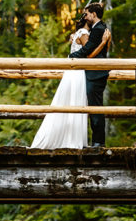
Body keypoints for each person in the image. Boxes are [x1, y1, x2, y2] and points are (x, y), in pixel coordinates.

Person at [30, 11, 111, 150]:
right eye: (86, 15)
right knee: (76, 101)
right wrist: (103, 42)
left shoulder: (83, 33)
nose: (87, 16)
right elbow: (88, 54)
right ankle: (74, 139)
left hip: (76, 71)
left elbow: (89, 52)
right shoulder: (84, 33)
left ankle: (72, 137)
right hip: (78, 72)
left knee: (70, 101)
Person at [69, 2, 110, 147]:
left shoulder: (98, 29)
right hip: (94, 72)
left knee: (95, 107)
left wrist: (72, 56)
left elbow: (88, 51)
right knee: (94, 106)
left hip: (96, 73)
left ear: (94, 14)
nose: (85, 17)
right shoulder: (98, 28)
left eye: (87, 14)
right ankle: (97, 141)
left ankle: (98, 141)